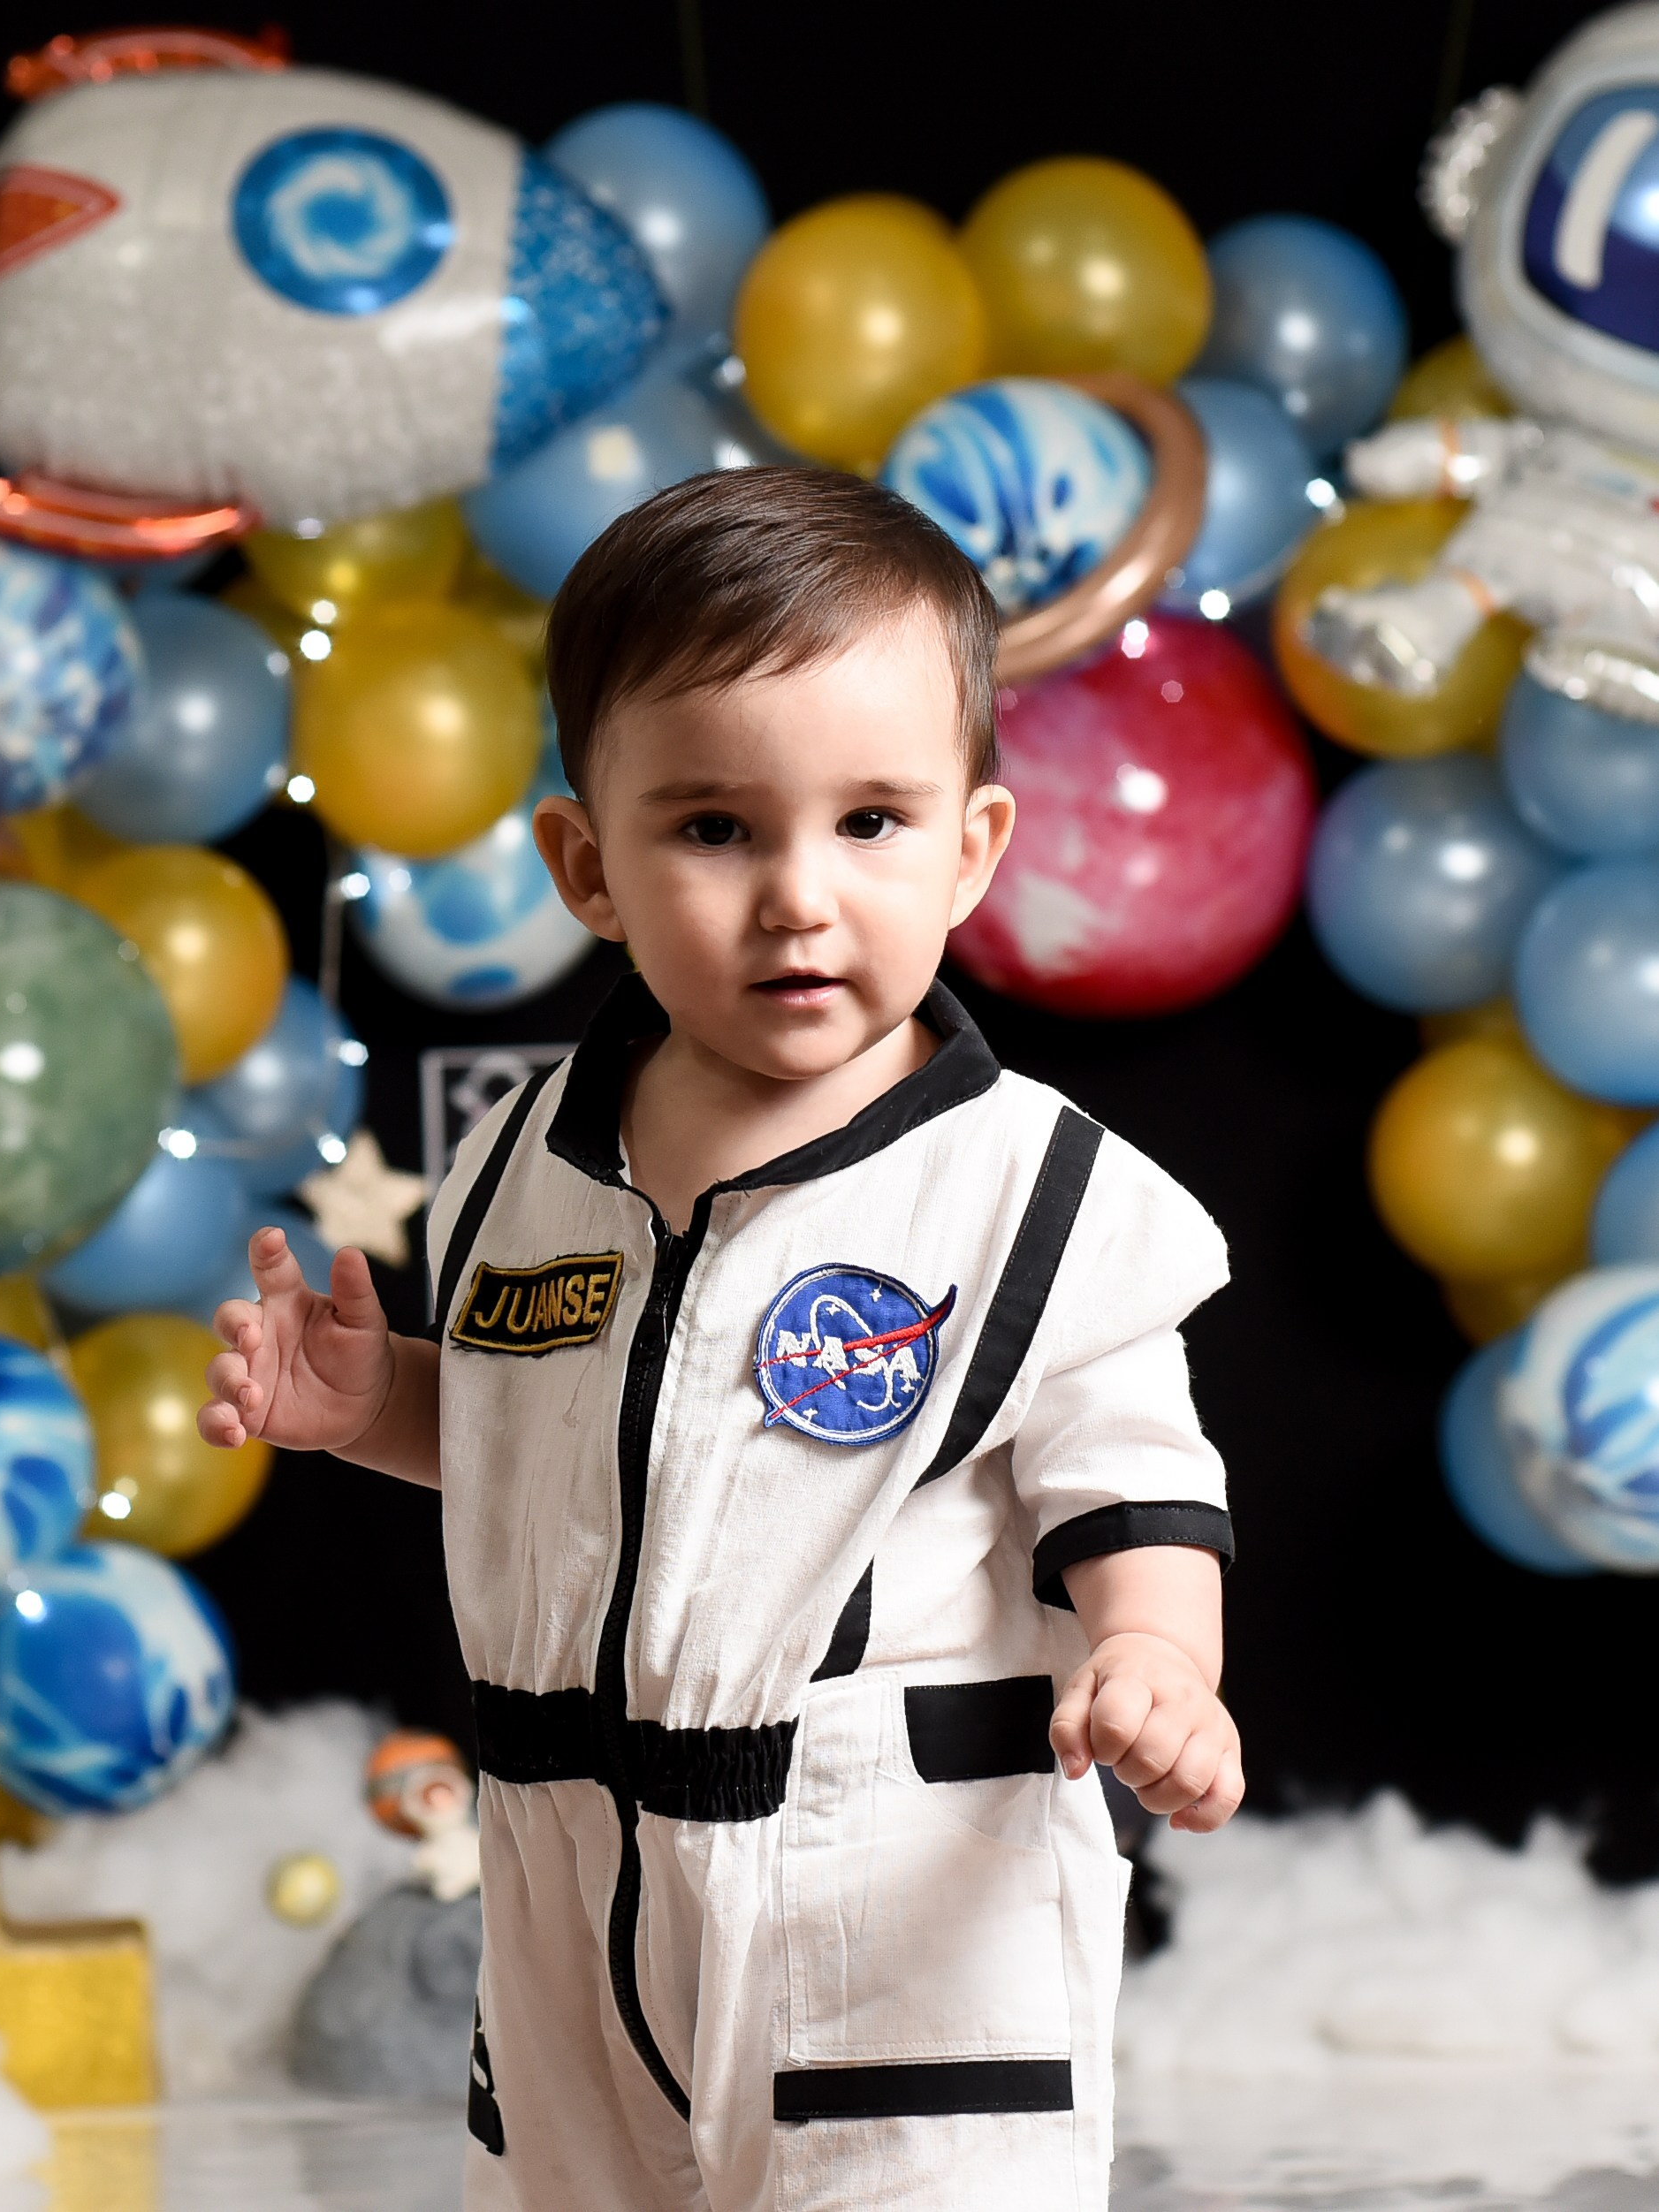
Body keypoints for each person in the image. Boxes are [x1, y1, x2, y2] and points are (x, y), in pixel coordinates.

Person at [199, 467, 1244, 2212]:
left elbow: (1127, 1468)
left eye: (868, 822)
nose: (795, 895)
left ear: (973, 844)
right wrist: (378, 1399)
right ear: (584, 863)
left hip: (882, 1879)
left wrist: (1156, 1657)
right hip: (564, 1862)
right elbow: (578, 1445)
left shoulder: (1022, 1192)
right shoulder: (525, 1161)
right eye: (712, 829)